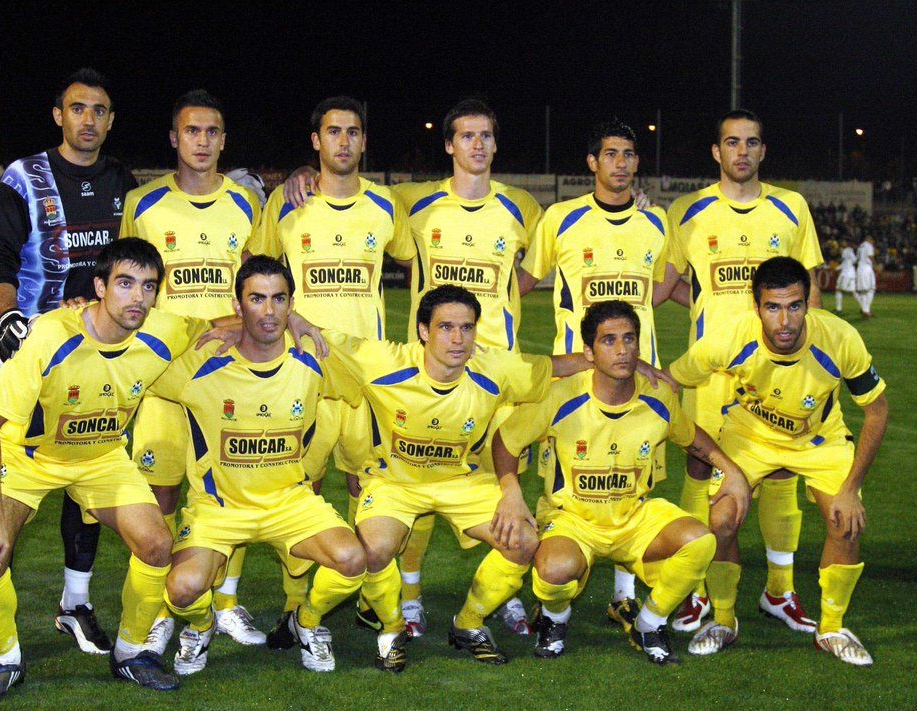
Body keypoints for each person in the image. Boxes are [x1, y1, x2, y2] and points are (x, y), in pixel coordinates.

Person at [285, 98, 543, 637]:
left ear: (496, 144)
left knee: (498, 478)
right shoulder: (410, 204)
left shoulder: (524, 206)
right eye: (465, 136)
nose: (477, 145)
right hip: (419, 374)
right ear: (448, 145)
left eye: (486, 136)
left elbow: (539, 270)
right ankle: (409, 593)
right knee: (411, 479)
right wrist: (304, 172)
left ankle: (502, 598)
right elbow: (347, 187)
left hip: (496, 373)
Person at [0, 238, 206, 705]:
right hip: (29, 459)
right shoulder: (51, 337)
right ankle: (4, 658)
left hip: (100, 459)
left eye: (148, 287)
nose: (137, 297)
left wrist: (286, 321)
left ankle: (131, 653)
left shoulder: (164, 331)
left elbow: (223, 328)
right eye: (125, 284)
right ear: (100, 287)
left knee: (157, 544)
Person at [317, 285, 612, 670]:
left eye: (467, 328)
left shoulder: (493, 367)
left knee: (522, 541)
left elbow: (552, 367)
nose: (458, 339)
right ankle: (391, 629)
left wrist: (618, 361)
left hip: (461, 481)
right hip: (396, 483)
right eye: (446, 328)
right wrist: (244, 324)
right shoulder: (384, 360)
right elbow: (307, 334)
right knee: (373, 549)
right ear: (423, 331)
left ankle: (468, 623)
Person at [0, 67, 138, 657]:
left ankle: (75, 603)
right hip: (33, 348)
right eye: (77, 109)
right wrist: (9, 317)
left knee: (88, 471)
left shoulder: (125, 181)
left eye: (99, 110)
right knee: (1, 468)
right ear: (58, 115)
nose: (88, 119)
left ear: (110, 119)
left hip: (100, 351)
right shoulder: (25, 175)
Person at [495, 300, 748, 664]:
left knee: (700, 541)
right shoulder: (559, 396)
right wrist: (511, 491)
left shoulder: (658, 397)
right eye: (609, 340)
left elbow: (692, 437)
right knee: (554, 569)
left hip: (634, 518)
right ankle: (554, 618)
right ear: (589, 352)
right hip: (573, 520)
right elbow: (506, 441)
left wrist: (730, 469)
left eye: (629, 339)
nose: (622, 350)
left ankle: (649, 621)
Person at [152, 256, 368, 674]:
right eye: (256, 299)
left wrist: (303, 326)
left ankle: (305, 622)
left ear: (291, 305)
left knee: (352, 559)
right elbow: (145, 342)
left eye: (278, 300)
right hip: (219, 510)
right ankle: (201, 625)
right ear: (238, 306)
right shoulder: (200, 363)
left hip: (289, 503)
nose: (268, 311)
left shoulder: (313, 359)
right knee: (182, 589)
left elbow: (363, 380)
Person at [249, 97, 415, 639]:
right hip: (301, 374)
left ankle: (372, 594)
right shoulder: (286, 202)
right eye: (332, 132)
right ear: (315, 141)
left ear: (364, 142)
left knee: (369, 483)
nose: (343, 141)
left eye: (353, 132)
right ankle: (296, 607)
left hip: (368, 376)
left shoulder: (387, 206)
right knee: (301, 485)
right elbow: (258, 273)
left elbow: (424, 254)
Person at [669, 257, 888, 666]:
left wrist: (851, 488)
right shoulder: (729, 338)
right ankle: (722, 620)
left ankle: (832, 628)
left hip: (818, 441)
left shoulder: (840, 339)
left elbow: (877, 411)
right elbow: (672, 377)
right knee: (721, 521)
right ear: (756, 307)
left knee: (846, 521)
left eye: (795, 306)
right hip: (748, 439)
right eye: (773, 307)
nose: (784, 320)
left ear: (809, 303)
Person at [665, 109, 824, 634]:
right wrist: (708, 312)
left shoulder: (790, 207)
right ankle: (695, 590)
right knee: (700, 469)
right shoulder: (687, 212)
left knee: (780, 473)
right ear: (717, 152)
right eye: (731, 142)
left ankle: (780, 592)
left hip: (780, 372)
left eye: (752, 143)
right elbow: (668, 285)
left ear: (763, 150)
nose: (742, 152)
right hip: (711, 375)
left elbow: (811, 287)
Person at [119, 89, 267, 650]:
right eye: (191, 131)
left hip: (228, 372)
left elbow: (258, 284)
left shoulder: (247, 204)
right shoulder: (144, 203)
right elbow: (127, 281)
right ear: (174, 138)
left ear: (223, 140)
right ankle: (159, 607)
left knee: (230, 490)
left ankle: (225, 603)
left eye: (212, 132)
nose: (201, 142)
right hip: (162, 371)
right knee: (158, 493)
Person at [522, 118, 682, 628]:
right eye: (610, 154)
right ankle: (557, 580)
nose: (621, 163)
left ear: (637, 162)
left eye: (629, 154)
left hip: (638, 374)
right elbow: (521, 282)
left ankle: (623, 591)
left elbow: (657, 291)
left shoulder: (656, 223)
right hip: (576, 379)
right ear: (592, 163)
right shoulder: (562, 219)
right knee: (566, 474)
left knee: (636, 472)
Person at [854, 234, 877, 317]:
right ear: (870, 240)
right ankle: (865, 310)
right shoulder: (868, 245)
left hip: (861, 268)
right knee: (867, 290)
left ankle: (865, 308)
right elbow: (870, 256)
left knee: (870, 288)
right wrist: (876, 266)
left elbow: (856, 259)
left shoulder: (860, 247)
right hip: (866, 268)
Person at [834, 241, 857, 314]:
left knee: (840, 289)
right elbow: (850, 261)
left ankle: (839, 309)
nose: (842, 243)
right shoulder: (849, 251)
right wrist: (837, 268)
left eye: (843, 242)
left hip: (846, 274)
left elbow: (851, 261)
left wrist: (837, 268)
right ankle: (864, 308)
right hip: (850, 273)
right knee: (851, 291)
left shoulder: (847, 250)